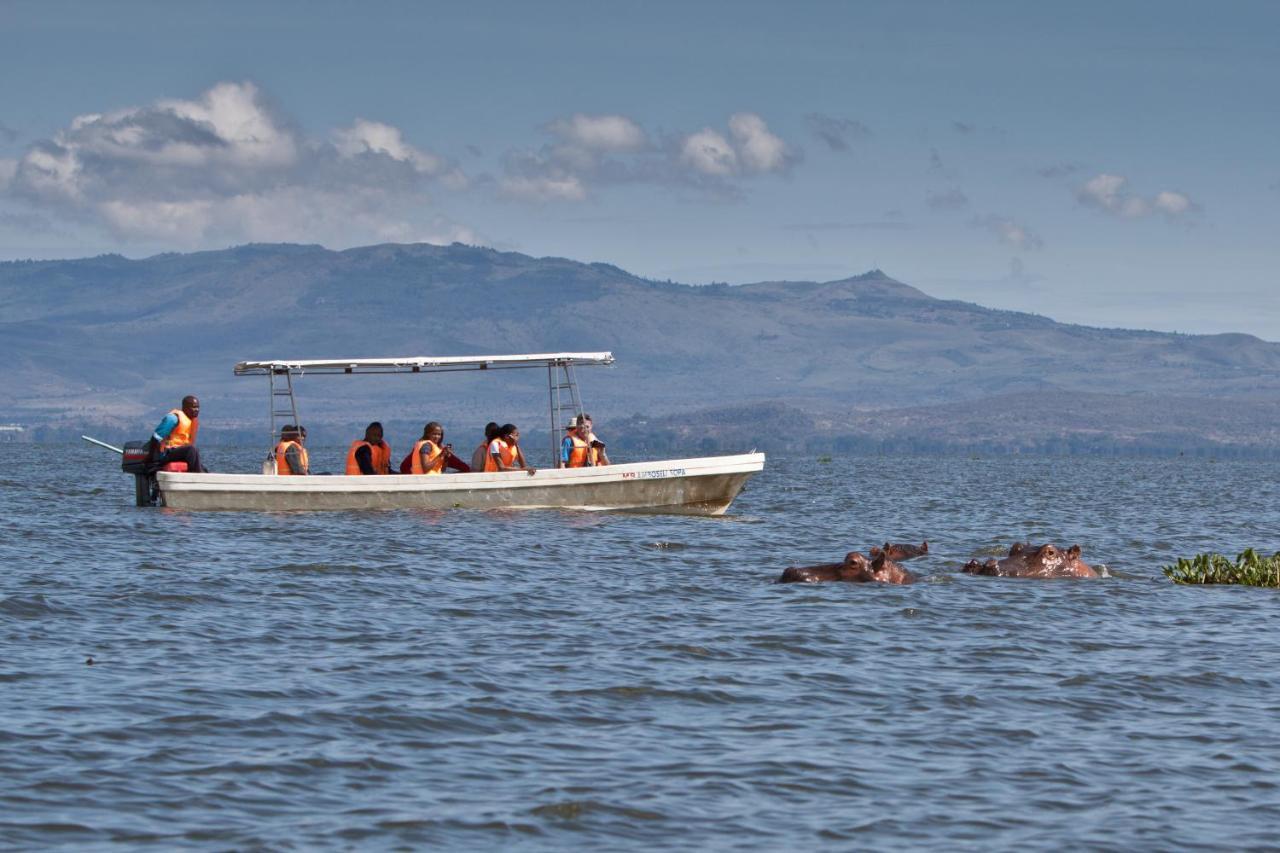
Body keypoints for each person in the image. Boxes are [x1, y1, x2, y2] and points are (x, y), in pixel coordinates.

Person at [149, 394, 206, 472]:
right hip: (167, 453)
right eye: (193, 407)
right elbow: (156, 437)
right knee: (191, 450)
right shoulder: (173, 418)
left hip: (180, 452)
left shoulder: (192, 421)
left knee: (196, 453)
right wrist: (151, 459)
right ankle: (196, 478)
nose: (196, 409)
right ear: (185, 408)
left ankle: (202, 475)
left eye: (198, 407)